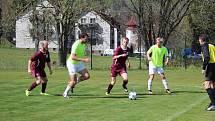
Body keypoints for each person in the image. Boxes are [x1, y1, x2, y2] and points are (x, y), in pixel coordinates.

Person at [63, 34, 90, 98]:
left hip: (79, 63)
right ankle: (65, 93)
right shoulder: (76, 44)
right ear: (82, 38)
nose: (87, 40)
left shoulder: (83, 44)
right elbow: (72, 57)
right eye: (86, 38)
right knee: (73, 81)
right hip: (72, 64)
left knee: (87, 76)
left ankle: (73, 82)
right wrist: (84, 60)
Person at [199, 34, 215, 111]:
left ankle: (214, 104)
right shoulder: (212, 45)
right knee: (212, 85)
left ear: (201, 40)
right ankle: (213, 103)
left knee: (207, 85)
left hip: (211, 66)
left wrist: (203, 68)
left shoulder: (204, 46)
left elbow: (207, 57)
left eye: (199, 40)